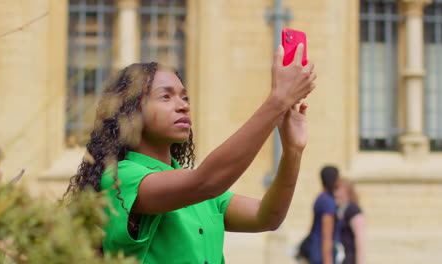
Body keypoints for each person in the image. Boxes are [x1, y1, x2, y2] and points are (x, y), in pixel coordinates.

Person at [64, 44, 316, 263]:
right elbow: (206, 181)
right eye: (166, 96)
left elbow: (267, 217)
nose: (183, 105)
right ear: (129, 113)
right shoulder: (120, 178)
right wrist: (277, 101)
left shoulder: (202, 192)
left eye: (185, 97)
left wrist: (293, 151)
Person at [307, 165, 340, 264]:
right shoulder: (328, 202)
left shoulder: (321, 197)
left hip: (315, 252)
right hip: (322, 256)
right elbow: (327, 236)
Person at [335, 178, 365, 264]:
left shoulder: (353, 209)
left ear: (346, 190)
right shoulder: (340, 209)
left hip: (350, 259)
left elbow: (360, 240)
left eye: (337, 188)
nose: (335, 191)